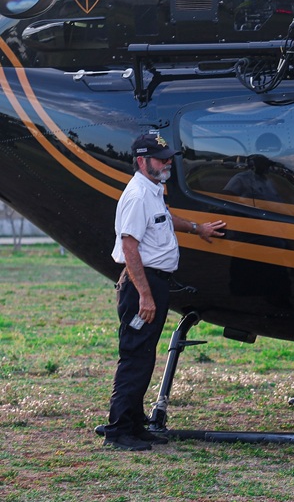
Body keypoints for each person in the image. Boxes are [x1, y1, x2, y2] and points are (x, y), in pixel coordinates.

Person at [104, 133, 226, 451]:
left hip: (154, 283)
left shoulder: (153, 190)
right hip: (141, 285)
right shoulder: (136, 196)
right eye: (160, 158)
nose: (167, 162)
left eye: (168, 157)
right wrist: (144, 294)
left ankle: (134, 423)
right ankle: (119, 430)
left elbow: (165, 219)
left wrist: (198, 229)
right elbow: (129, 247)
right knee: (134, 356)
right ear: (142, 161)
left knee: (144, 356)